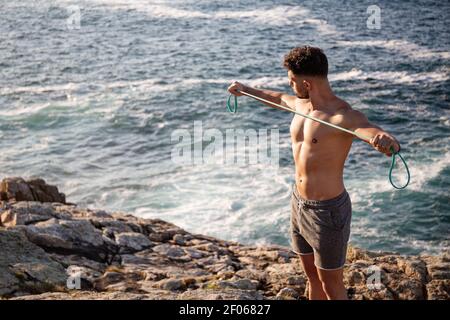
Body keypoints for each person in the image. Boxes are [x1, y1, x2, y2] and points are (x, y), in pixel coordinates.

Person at [227, 46, 400, 300]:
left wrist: (386, 141)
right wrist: (245, 89)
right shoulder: (301, 105)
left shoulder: (342, 116)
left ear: (306, 83)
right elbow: (276, 98)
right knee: (312, 279)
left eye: (292, 81)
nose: (290, 85)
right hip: (298, 203)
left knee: (331, 285)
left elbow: (369, 130)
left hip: (327, 211)